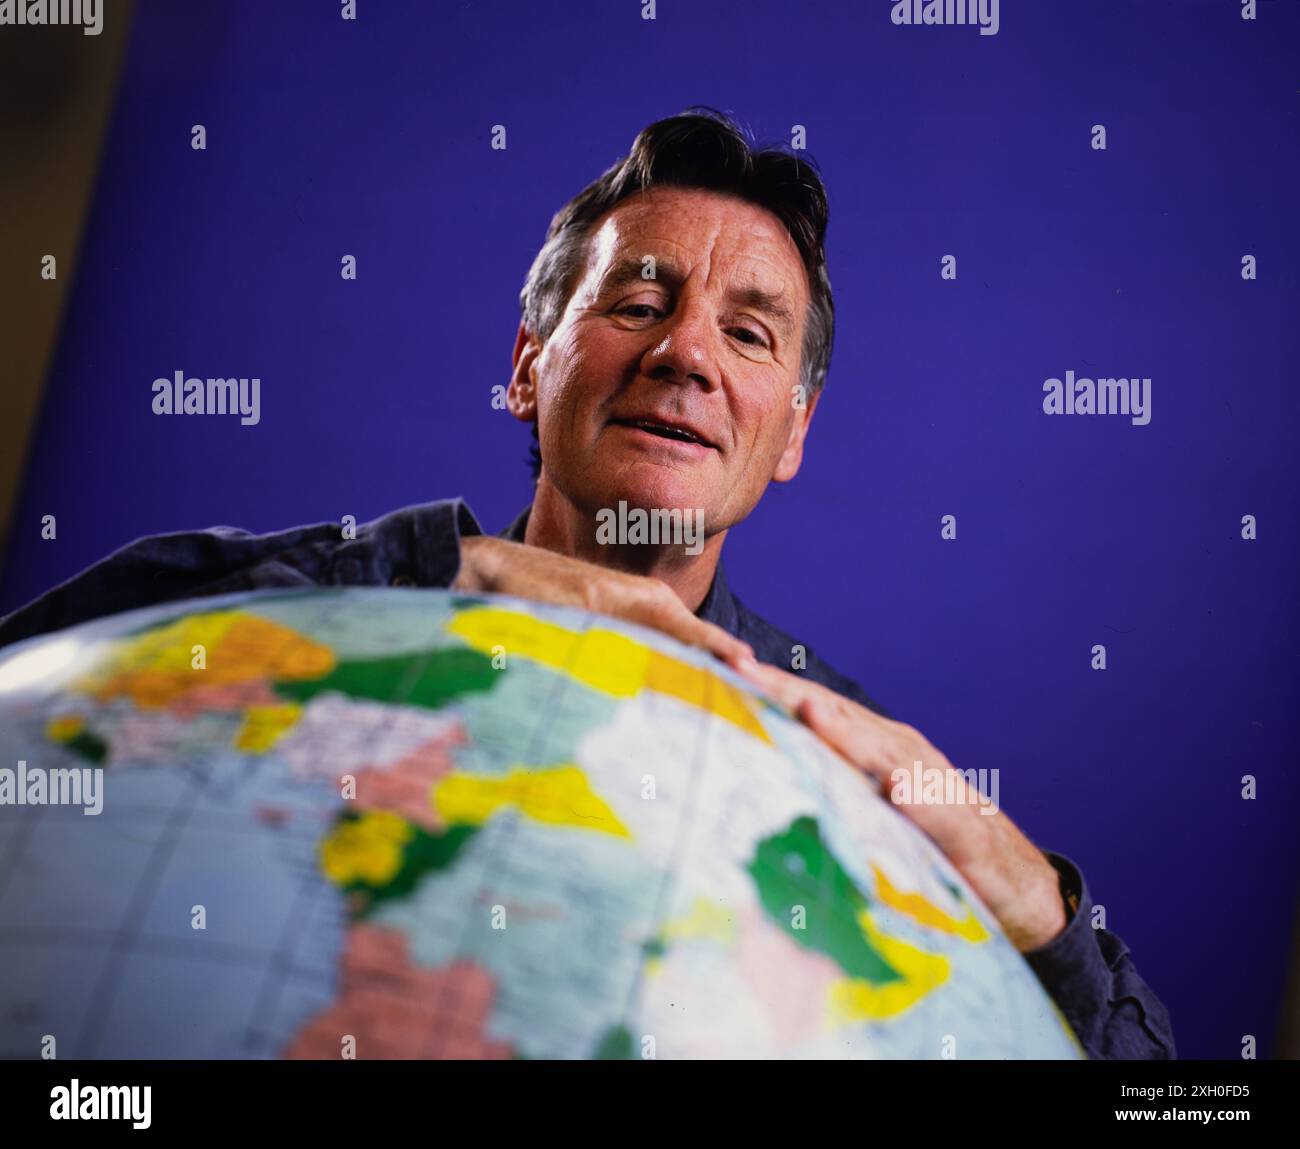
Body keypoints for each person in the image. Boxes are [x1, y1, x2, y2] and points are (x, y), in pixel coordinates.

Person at [0, 107, 1174, 1059]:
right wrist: (438, 569)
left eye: (751, 335)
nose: (685, 355)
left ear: (794, 434)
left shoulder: (840, 766)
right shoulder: (323, 608)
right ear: (525, 368)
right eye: (638, 304)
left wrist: (1047, 922)